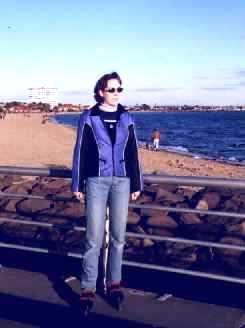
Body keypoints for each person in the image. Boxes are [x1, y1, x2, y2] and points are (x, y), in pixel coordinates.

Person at [71, 72, 143, 312]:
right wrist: (77, 184)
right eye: (111, 89)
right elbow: (80, 151)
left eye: (119, 89)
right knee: (93, 238)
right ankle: (88, 289)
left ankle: (114, 284)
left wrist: (136, 184)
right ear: (101, 91)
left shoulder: (127, 117)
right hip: (96, 181)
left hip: (122, 181)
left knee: (118, 237)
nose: (116, 94)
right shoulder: (88, 117)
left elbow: (133, 152)